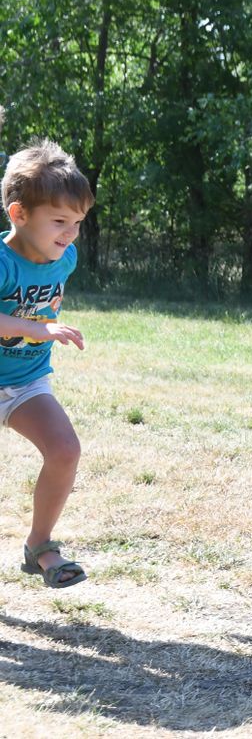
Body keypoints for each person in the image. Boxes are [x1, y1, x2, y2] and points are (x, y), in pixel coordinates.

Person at [1, 139, 93, 588]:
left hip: (26, 382)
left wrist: (44, 327)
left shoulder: (65, 257)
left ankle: (40, 546)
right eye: (60, 221)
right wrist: (37, 328)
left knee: (65, 451)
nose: (71, 233)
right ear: (19, 214)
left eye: (78, 222)